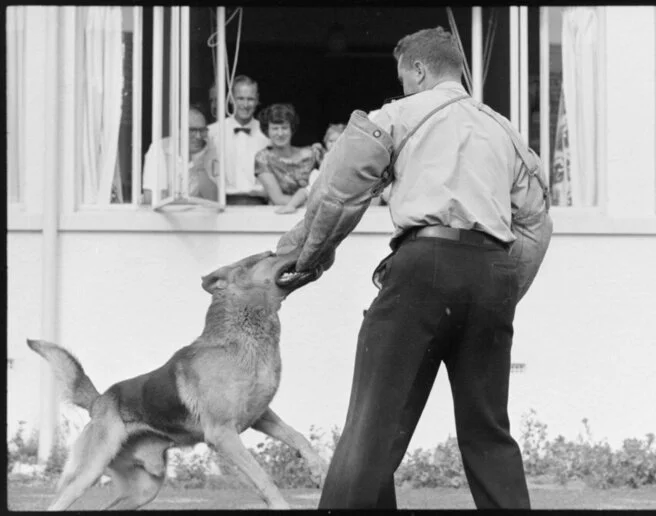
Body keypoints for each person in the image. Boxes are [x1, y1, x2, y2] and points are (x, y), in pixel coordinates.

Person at [274, 27, 552, 509]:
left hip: (423, 265)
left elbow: (337, 195)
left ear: (419, 70)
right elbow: (535, 227)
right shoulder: (505, 130)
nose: (402, 85)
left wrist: (303, 258)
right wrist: (502, 293)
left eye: (403, 75)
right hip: (491, 271)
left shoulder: (394, 116)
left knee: (372, 426)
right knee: (488, 432)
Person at [207, 75, 271, 205]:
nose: (245, 104)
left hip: (260, 205)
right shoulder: (213, 132)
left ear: (257, 100)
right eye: (240, 98)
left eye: (250, 99)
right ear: (231, 99)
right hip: (222, 203)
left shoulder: (267, 134)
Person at [254, 104, 322, 214]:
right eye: (275, 129)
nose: (280, 133)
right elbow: (278, 199)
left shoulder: (311, 155)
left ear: (292, 129)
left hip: (313, 217)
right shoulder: (263, 158)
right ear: (267, 131)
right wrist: (308, 205)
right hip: (280, 216)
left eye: (284, 128)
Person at [142, 106, 218, 204]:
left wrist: (200, 167)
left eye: (202, 131)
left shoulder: (209, 149)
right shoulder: (159, 149)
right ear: (178, 131)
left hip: (199, 217)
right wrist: (195, 204)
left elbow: (214, 200)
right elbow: (151, 199)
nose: (198, 136)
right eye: (192, 131)